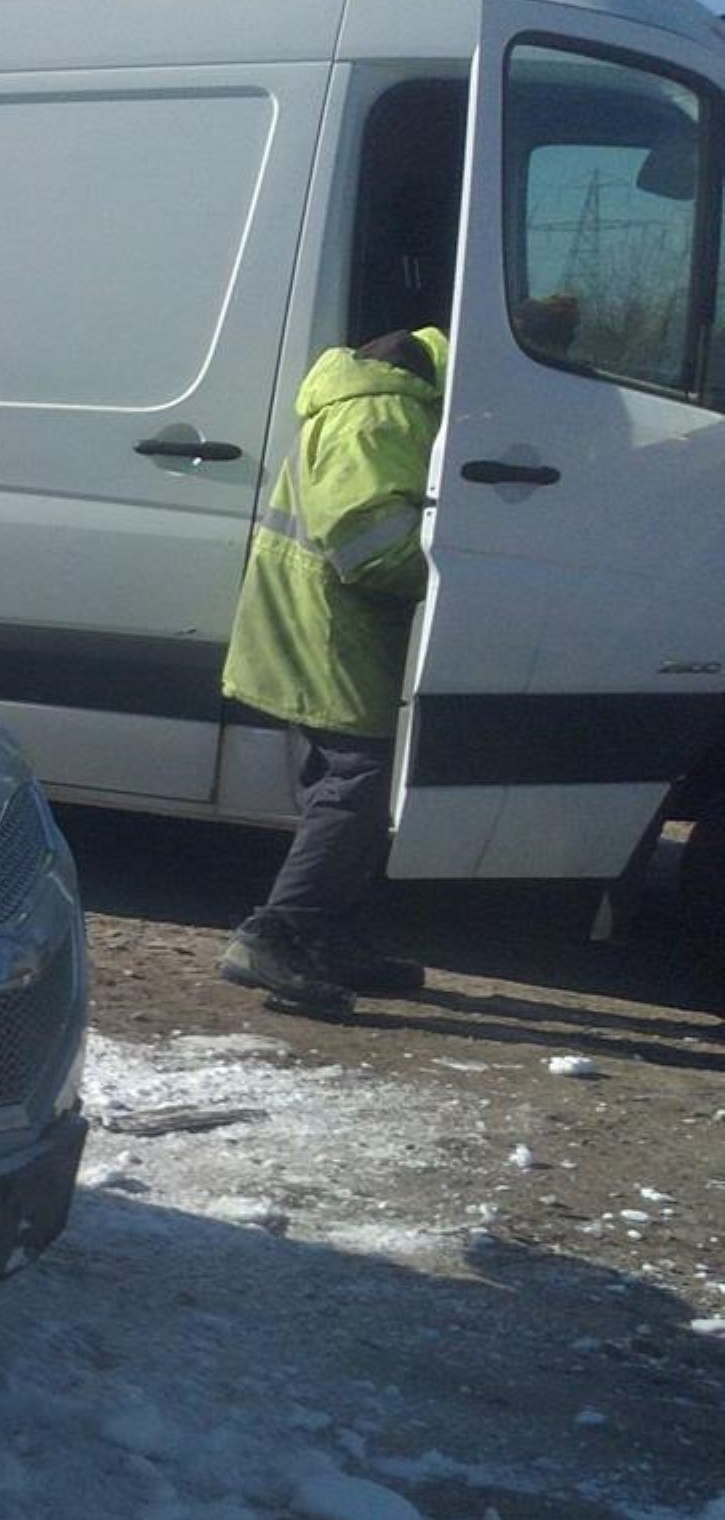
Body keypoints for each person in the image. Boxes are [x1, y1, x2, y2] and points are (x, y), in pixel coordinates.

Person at [216, 324, 449, 1015]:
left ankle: (329, 935)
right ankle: (276, 934)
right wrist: (456, 586)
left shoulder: (364, 401)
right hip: (332, 627)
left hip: (321, 620)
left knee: (347, 781)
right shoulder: (384, 411)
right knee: (357, 779)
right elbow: (369, 544)